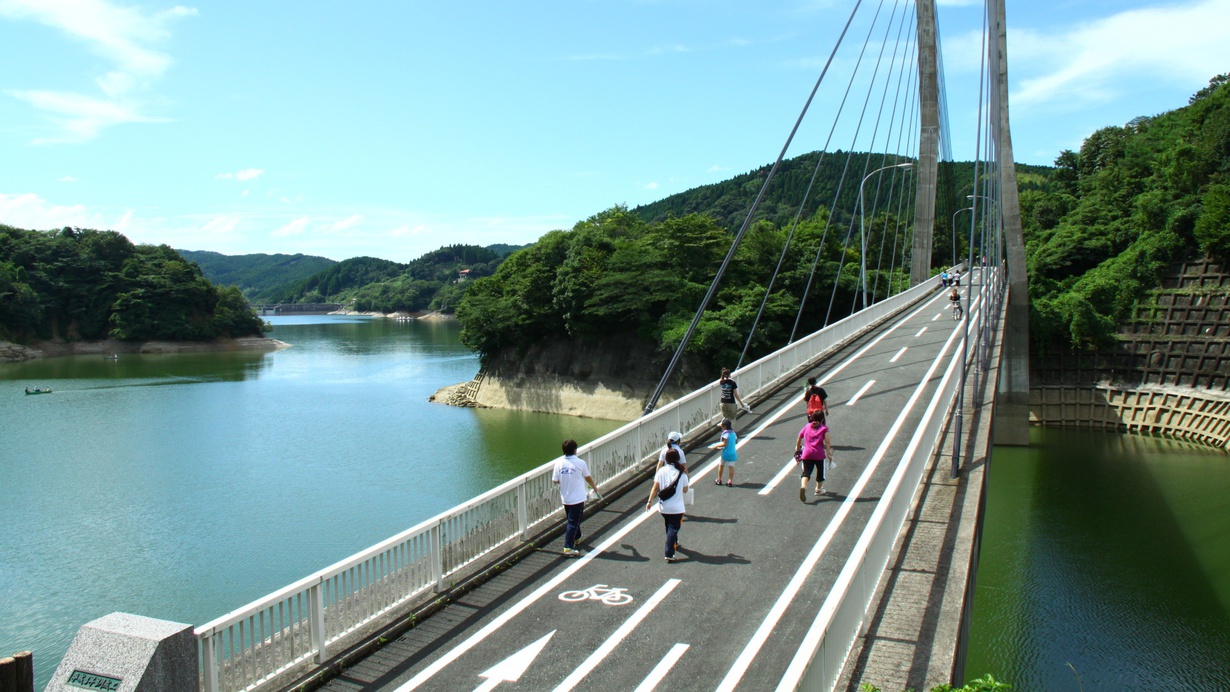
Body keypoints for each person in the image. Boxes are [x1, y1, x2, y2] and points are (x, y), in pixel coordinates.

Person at [552, 439, 599, 557]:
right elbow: (587, 477)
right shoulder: (580, 463)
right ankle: (568, 547)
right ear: (575, 450)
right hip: (577, 498)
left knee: (573, 519)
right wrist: (594, 487)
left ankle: (578, 538)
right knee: (573, 522)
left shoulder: (558, 463)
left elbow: (555, 480)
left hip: (565, 497)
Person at [647, 449, 689, 562]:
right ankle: (669, 553)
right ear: (677, 459)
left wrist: (649, 501)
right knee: (673, 529)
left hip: (663, 507)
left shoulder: (661, 471)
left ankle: (674, 542)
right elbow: (685, 490)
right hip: (677, 508)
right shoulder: (682, 473)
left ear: (666, 459)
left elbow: (655, 487)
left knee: (669, 526)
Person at [795, 411, 833, 502]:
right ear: (823, 419)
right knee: (820, 473)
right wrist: (829, 454)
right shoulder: (824, 429)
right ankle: (818, 490)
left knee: (806, 472)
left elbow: (799, 436)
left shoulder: (807, 426)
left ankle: (803, 486)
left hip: (807, 454)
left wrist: (797, 448)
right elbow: (827, 442)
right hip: (819, 454)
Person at [710, 418, 738, 487]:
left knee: (721, 465)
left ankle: (719, 479)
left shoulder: (725, 434)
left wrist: (715, 446)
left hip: (726, 453)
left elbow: (724, 444)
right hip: (733, 453)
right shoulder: (733, 433)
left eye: (722, 426)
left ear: (724, 426)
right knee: (731, 466)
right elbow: (736, 441)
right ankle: (730, 481)